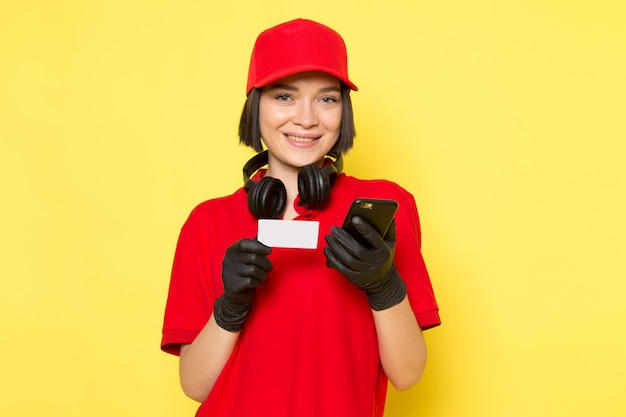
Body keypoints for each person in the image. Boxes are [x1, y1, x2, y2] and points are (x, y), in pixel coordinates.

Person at [161, 18, 440, 417]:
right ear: (255, 106)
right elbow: (195, 385)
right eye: (284, 97)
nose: (307, 119)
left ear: (344, 109)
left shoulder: (382, 207)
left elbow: (408, 374)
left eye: (327, 99)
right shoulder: (207, 223)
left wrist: (385, 287)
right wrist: (230, 306)